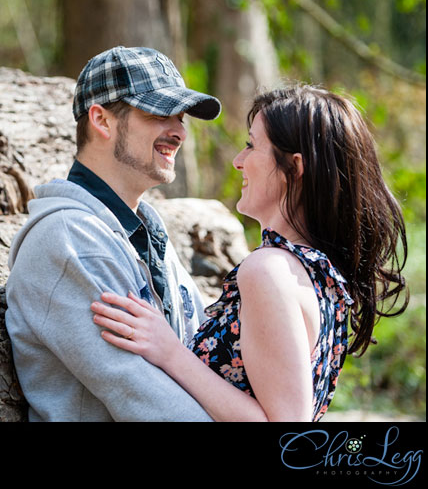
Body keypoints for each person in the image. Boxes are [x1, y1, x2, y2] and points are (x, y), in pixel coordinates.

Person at [91, 85, 409, 421]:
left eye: (251, 146)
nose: (237, 161)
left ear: (294, 167)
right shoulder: (321, 275)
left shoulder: (269, 270)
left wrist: (170, 352)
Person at [5, 46, 222, 421]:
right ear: (102, 120)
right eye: (158, 113)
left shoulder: (147, 233)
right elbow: (139, 396)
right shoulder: (69, 240)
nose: (179, 132)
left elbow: (201, 357)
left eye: (181, 117)